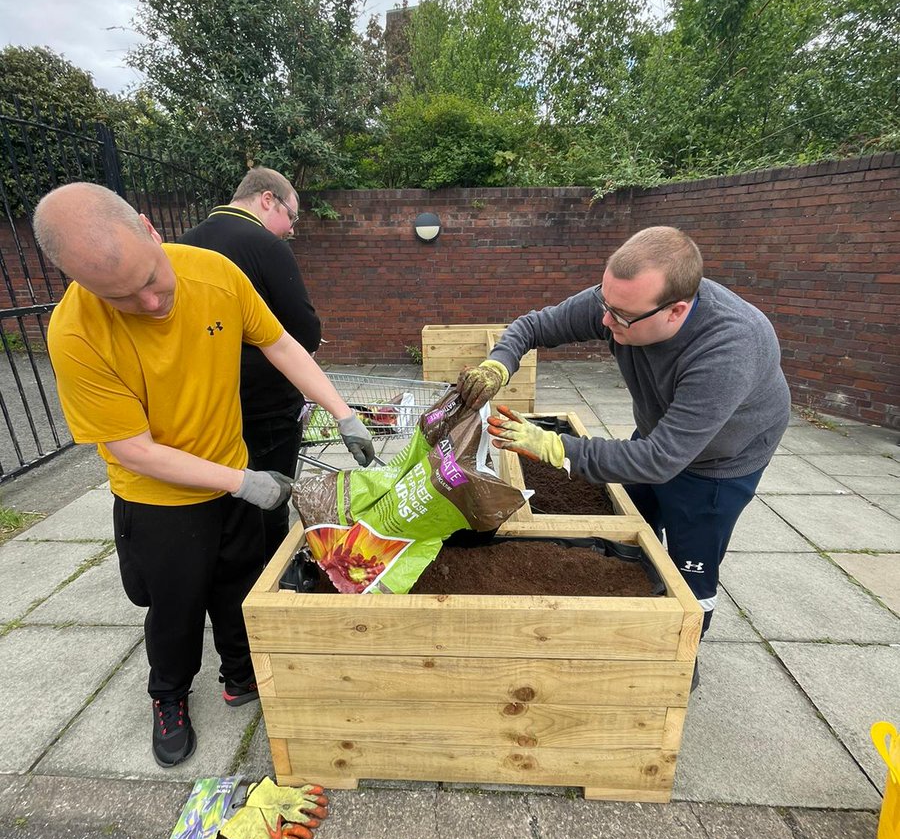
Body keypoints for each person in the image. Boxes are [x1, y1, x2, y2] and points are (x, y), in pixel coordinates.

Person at [33, 182, 375, 768]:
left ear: (148, 228)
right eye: (122, 297)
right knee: (175, 602)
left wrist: (342, 413)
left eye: (150, 279)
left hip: (232, 465)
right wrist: (239, 482)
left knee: (240, 582)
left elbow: (282, 345)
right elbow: (134, 450)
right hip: (159, 498)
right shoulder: (76, 333)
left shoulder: (215, 274)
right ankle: (168, 695)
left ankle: (241, 677)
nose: (150, 303)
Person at [458, 225, 791, 689]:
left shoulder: (730, 347)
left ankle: (678, 664)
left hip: (718, 463)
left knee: (690, 570)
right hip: (662, 433)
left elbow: (660, 460)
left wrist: (552, 446)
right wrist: (498, 364)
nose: (606, 323)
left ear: (676, 310)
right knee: (633, 522)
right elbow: (534, 325)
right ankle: (627, 624)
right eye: (605, 306)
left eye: (622, 316)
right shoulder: (621, 303)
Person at [180, 167, 321, 561]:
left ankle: (226, 567)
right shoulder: (267, 246)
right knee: (271, 493)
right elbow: (304, 332)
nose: (291, 229)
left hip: (208, 401)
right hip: (267, 404)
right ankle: (270, 577)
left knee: (223, 488)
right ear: (267, 199)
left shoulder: (186, 243)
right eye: (292, 216)